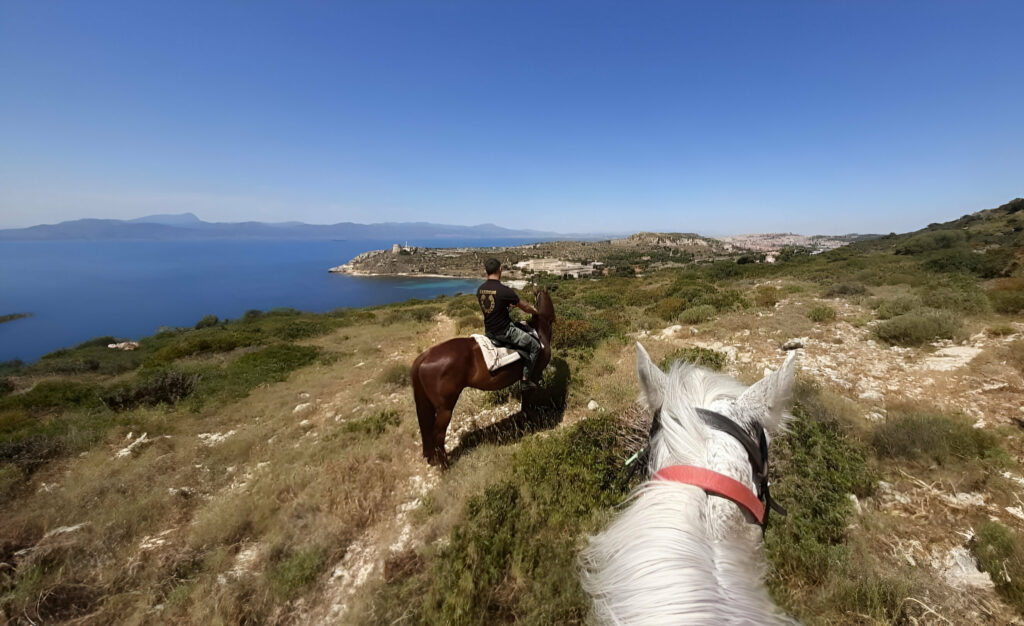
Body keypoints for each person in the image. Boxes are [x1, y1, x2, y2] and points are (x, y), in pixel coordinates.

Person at [476, 258, 542, 386]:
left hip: (489, 331)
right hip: (505, 332)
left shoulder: (480, 289)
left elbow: (492, 308)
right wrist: (536, 312)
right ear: (500, 270)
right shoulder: (504, 290)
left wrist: (506, 307)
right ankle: (526, 379)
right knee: (535, 346)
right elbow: (525, 307)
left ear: (487, 272)